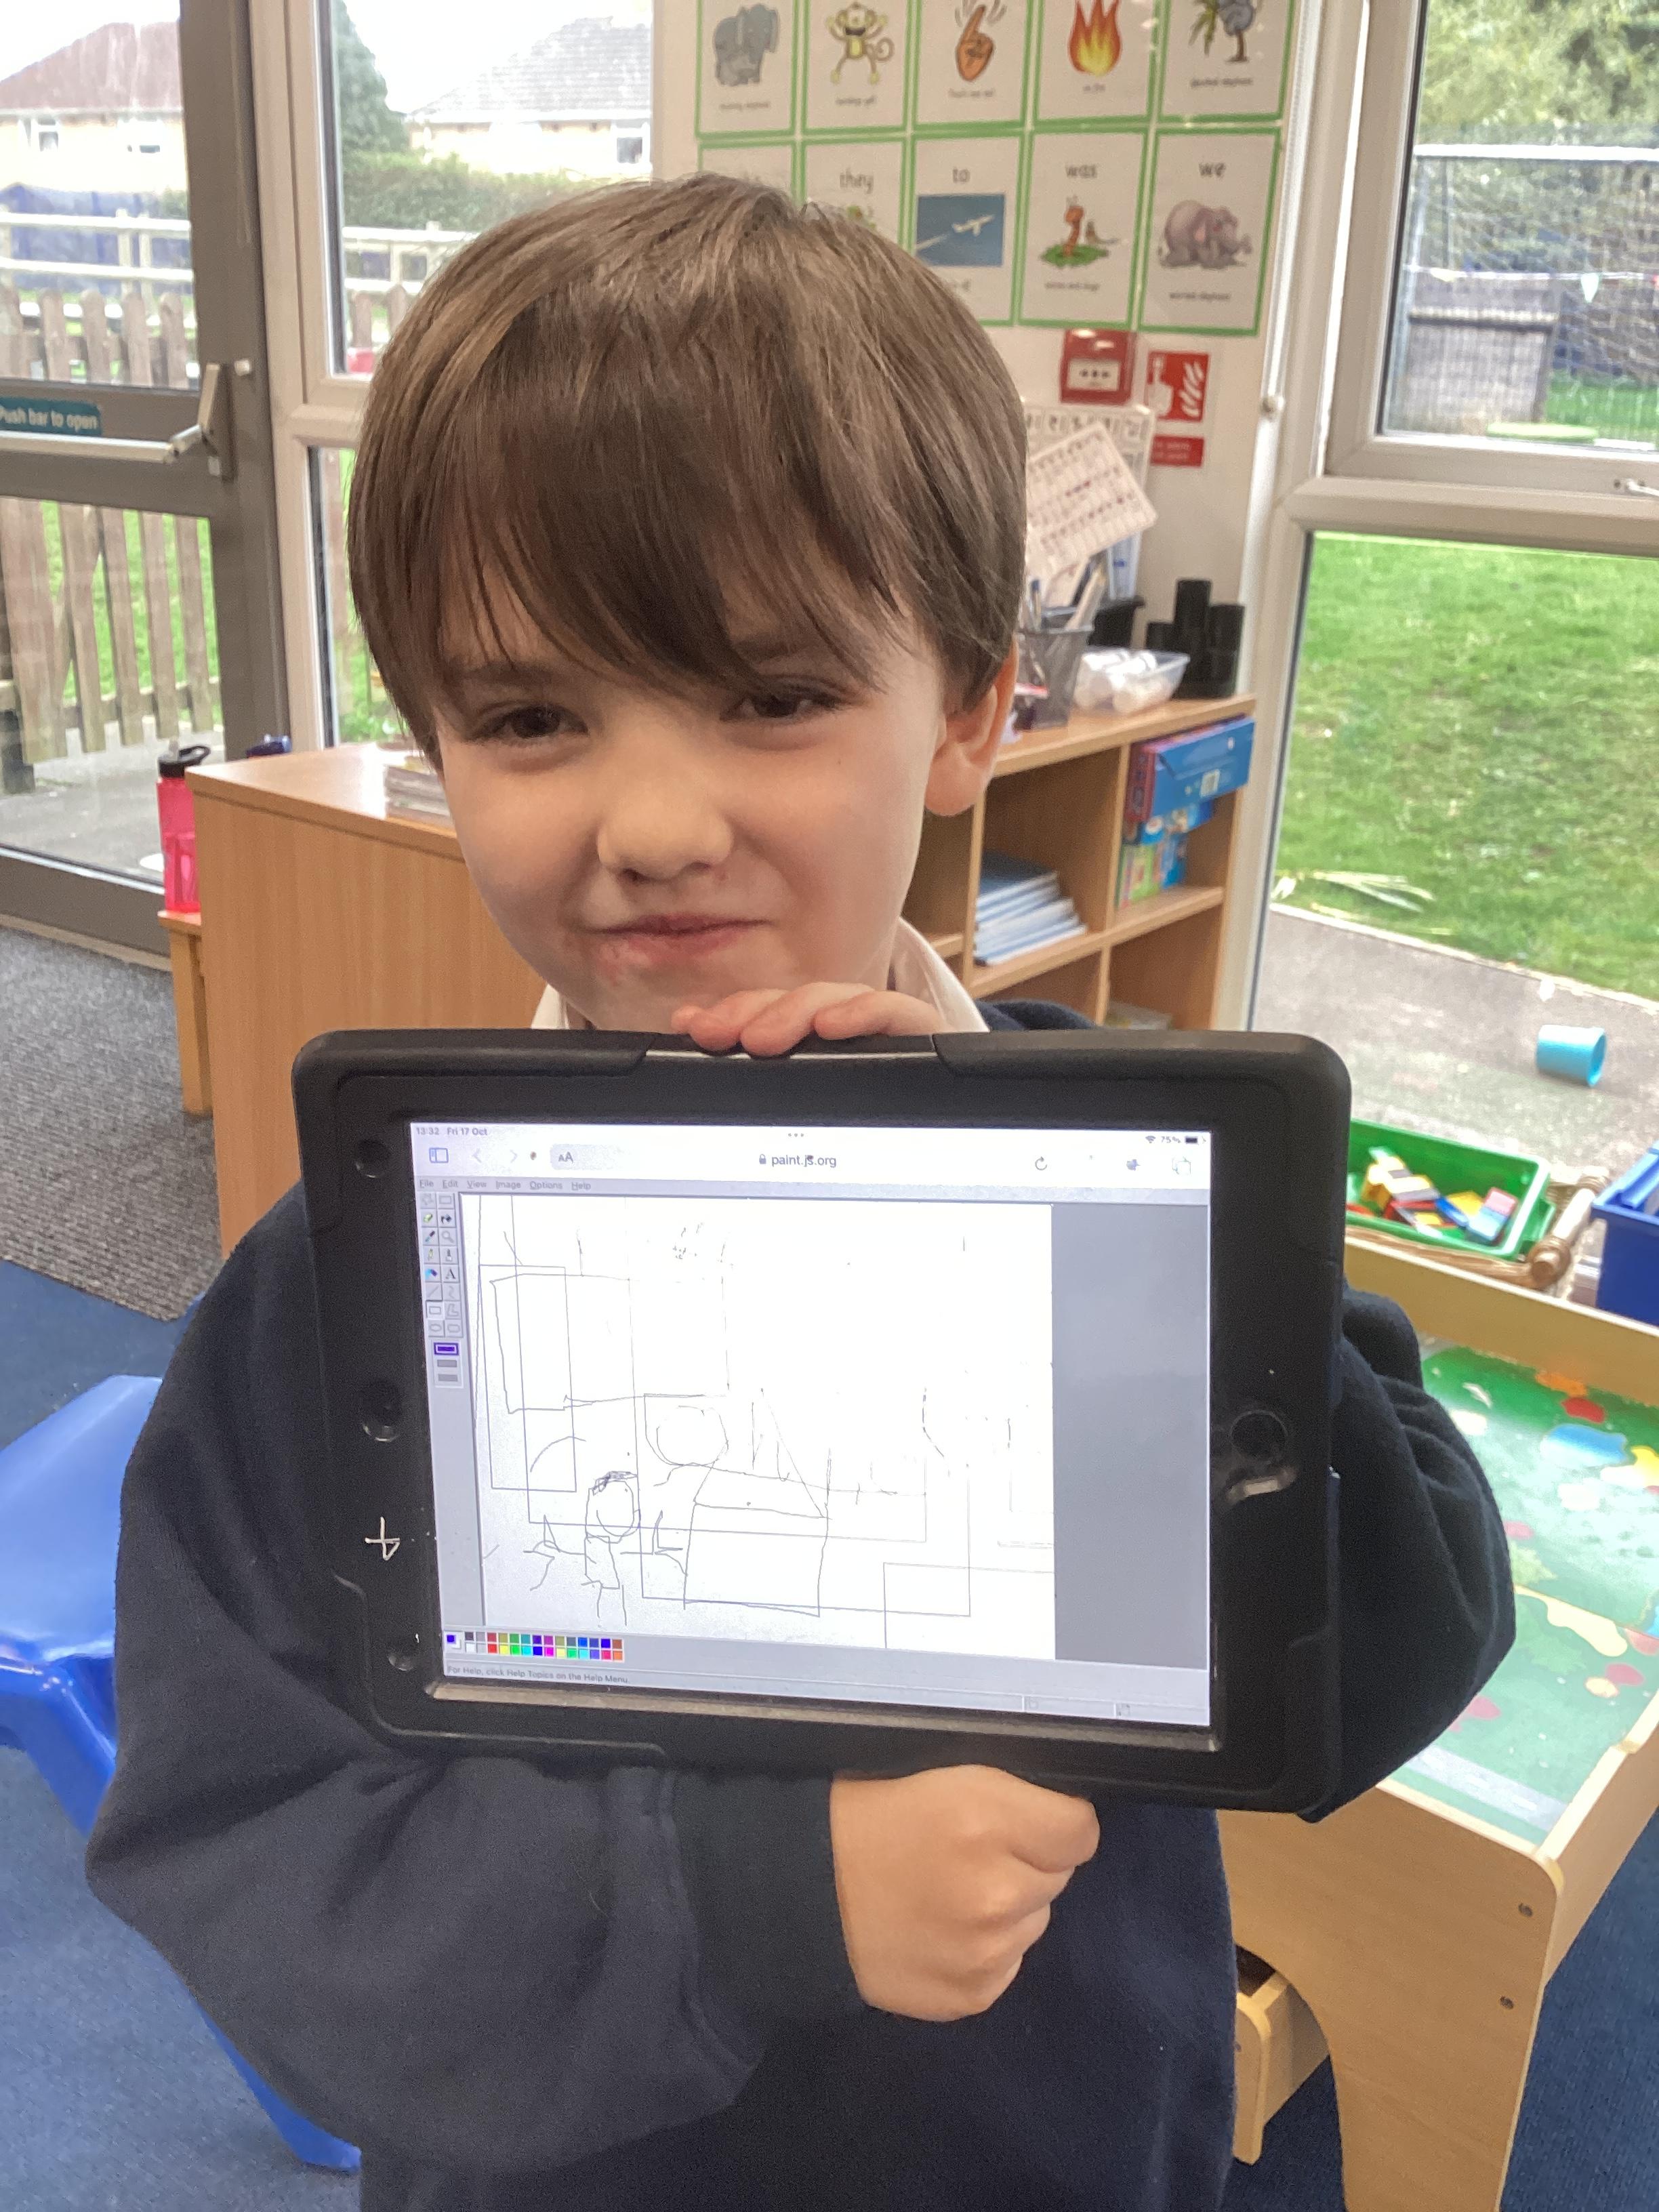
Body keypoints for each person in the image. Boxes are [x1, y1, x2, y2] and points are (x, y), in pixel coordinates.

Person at [87, 176, 1513, 2212]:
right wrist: (767, 1894)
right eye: (531, 716)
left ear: (972, 708)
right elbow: (251, 1849)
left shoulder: (1127, 1171)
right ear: (433, 744)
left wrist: (1105, 1240)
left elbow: (1409, 1630)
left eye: (771, 696)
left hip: (1056, 2150)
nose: (659, 824)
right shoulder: (338, 1280)